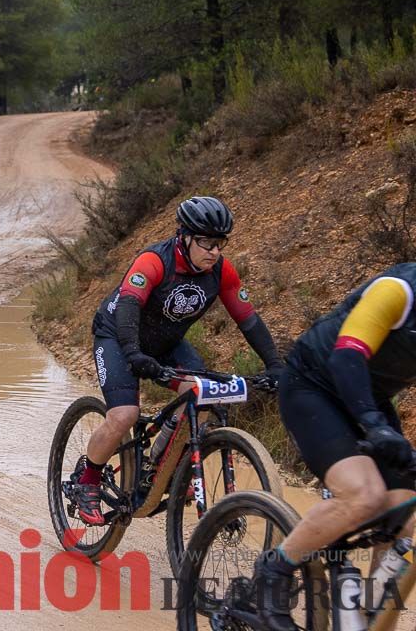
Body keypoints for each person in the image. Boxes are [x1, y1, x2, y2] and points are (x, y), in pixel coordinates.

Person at [74, 196, 286, 525]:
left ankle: (160, 468)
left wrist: (275, 366)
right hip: (118, 336)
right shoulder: (154, 261)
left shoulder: (221, 271)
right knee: (124, 414)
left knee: (203, 399)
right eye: (206, 243)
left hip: (167, 342)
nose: (214, 252)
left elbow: (248, 320)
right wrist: (133, 353)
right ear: (184, 236)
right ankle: (87, 481)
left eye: (220, 243)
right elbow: (129, 306)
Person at [253, 264, 416, 631]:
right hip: (314, 385)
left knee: (405, 512)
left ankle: (366, 617)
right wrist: (375, 426)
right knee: (364, 494)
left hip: (367, 397)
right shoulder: (399, 291)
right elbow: (347, 357)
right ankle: (273, 572)